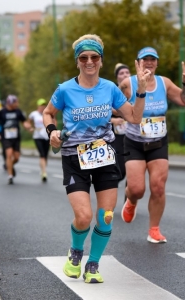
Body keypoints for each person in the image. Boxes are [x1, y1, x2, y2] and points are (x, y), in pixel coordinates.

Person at [43, 34, 150, 283]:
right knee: (83, 217)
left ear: (101, 60)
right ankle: (76, 252)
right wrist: (52, 132)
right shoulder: (65, 89)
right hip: (74, 157)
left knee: (106, 216)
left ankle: (93, 264)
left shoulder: (110, 88)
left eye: (94, 57)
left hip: (104, 156)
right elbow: (48, 113)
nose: (89, 61)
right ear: (77, 61)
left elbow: (134, 117)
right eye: (84, 58)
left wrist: (141, 92)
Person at [120, 47, 185, 243]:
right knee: (137, 189)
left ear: (157, 63)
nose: (149, 63)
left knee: (157, 187)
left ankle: (154, 229)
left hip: (158, 143)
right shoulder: (127, 84)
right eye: (144, 59)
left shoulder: (164, 83)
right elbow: (114, 108)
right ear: (138, 62)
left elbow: (183, 100)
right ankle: (131, 200)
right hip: (134, 143)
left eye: (152, 59)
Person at [0, 94, 32, 185]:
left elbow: (24, 121)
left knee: (17, 157)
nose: (17, 104)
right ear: (10, 102)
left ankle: (9, 165)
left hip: (16, 137)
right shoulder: (2, 112)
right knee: (9, 154)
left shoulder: (18, 111)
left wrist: (28, 127)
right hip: (6, 137)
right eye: (16, 102)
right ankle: (10, 176)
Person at [111, 64, 131, 182]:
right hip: (117, 137)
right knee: (121, 171)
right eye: (121, 73)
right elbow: (101, 112)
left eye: (127, 72)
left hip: (134, 135)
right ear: (117, 77)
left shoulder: (137, 90)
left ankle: (129, 201)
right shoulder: (112, 91)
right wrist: (113, 120)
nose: (124, 75)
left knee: (133, 175)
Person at [28, 98, 51, 182]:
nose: (43, 107)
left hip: (46, 136)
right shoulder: (34, 114)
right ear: (38, 106)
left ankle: (43, 170)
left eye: (44, 105)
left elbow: (53, 122)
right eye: (41, 105)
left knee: (45, 155)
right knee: (42, 154)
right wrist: (30, 128)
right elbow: (28, 122)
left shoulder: (48, 113)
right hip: (37, 136)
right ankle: (44, 172)